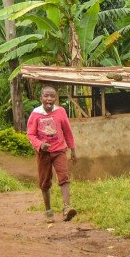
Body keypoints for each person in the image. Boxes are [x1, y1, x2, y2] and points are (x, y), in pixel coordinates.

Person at [26, 85, 77, 223]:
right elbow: (30, 134)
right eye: (46, 96)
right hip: (44, 154)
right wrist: (40, 145)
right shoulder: (35, 114)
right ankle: (48, 211)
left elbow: (67, 131)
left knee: (64, 177)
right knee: (44, 182)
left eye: (52, 96)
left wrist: (72, 149)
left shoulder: (60, 111)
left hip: (59, 150)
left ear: (56, 98)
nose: (49, 99)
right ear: (41, 98)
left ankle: (67, 209)